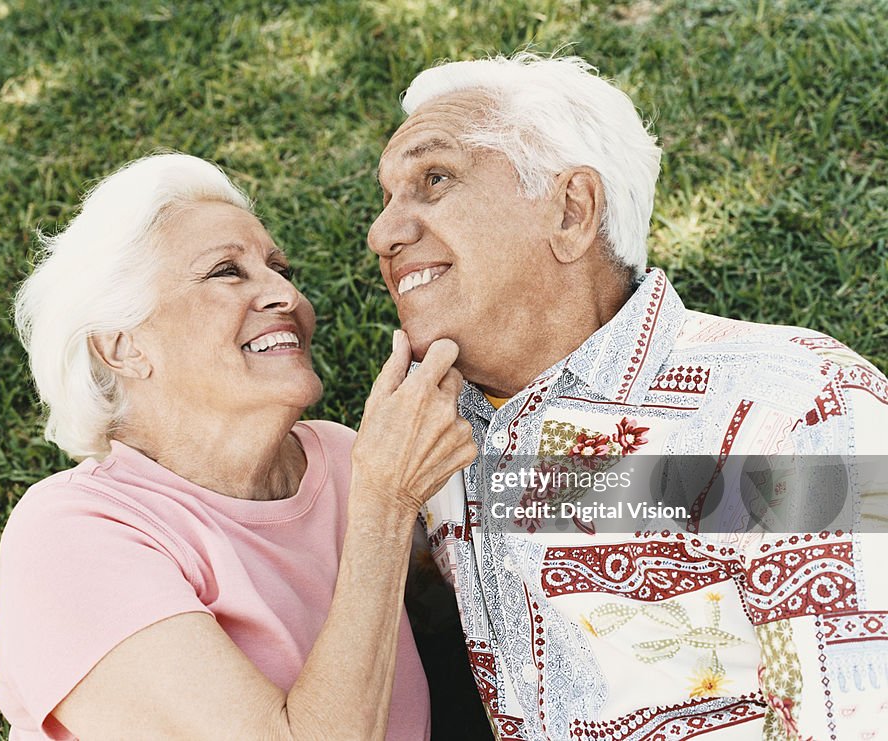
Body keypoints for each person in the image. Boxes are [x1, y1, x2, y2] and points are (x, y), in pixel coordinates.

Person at [368, 53, 888, 740]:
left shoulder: (789, 414)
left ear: (572, 210)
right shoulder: (430, 435)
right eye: (386, 200)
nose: (382, 235)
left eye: (435, 179)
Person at [0, 152, 476, 740]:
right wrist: (385, 506)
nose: (285, 295)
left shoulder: (345, 459)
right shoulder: (72, 534)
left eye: (279, 268)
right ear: (122, 347)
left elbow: (548, 516)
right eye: (227, 271)